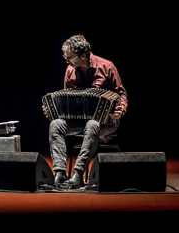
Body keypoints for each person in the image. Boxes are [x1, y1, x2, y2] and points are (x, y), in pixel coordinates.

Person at [45, 34, 128, 189]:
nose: (67, 61)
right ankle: (60, 173)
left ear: (83, 55)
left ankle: (78, 173)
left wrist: (120, 110)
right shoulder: (70, 70)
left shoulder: (107, 67)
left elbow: (121, 93)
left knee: (92, 125)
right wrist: (53, 110)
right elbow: (66, 98)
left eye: (70, 57)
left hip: (106, 120)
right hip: (77, 121)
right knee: (56, 124)